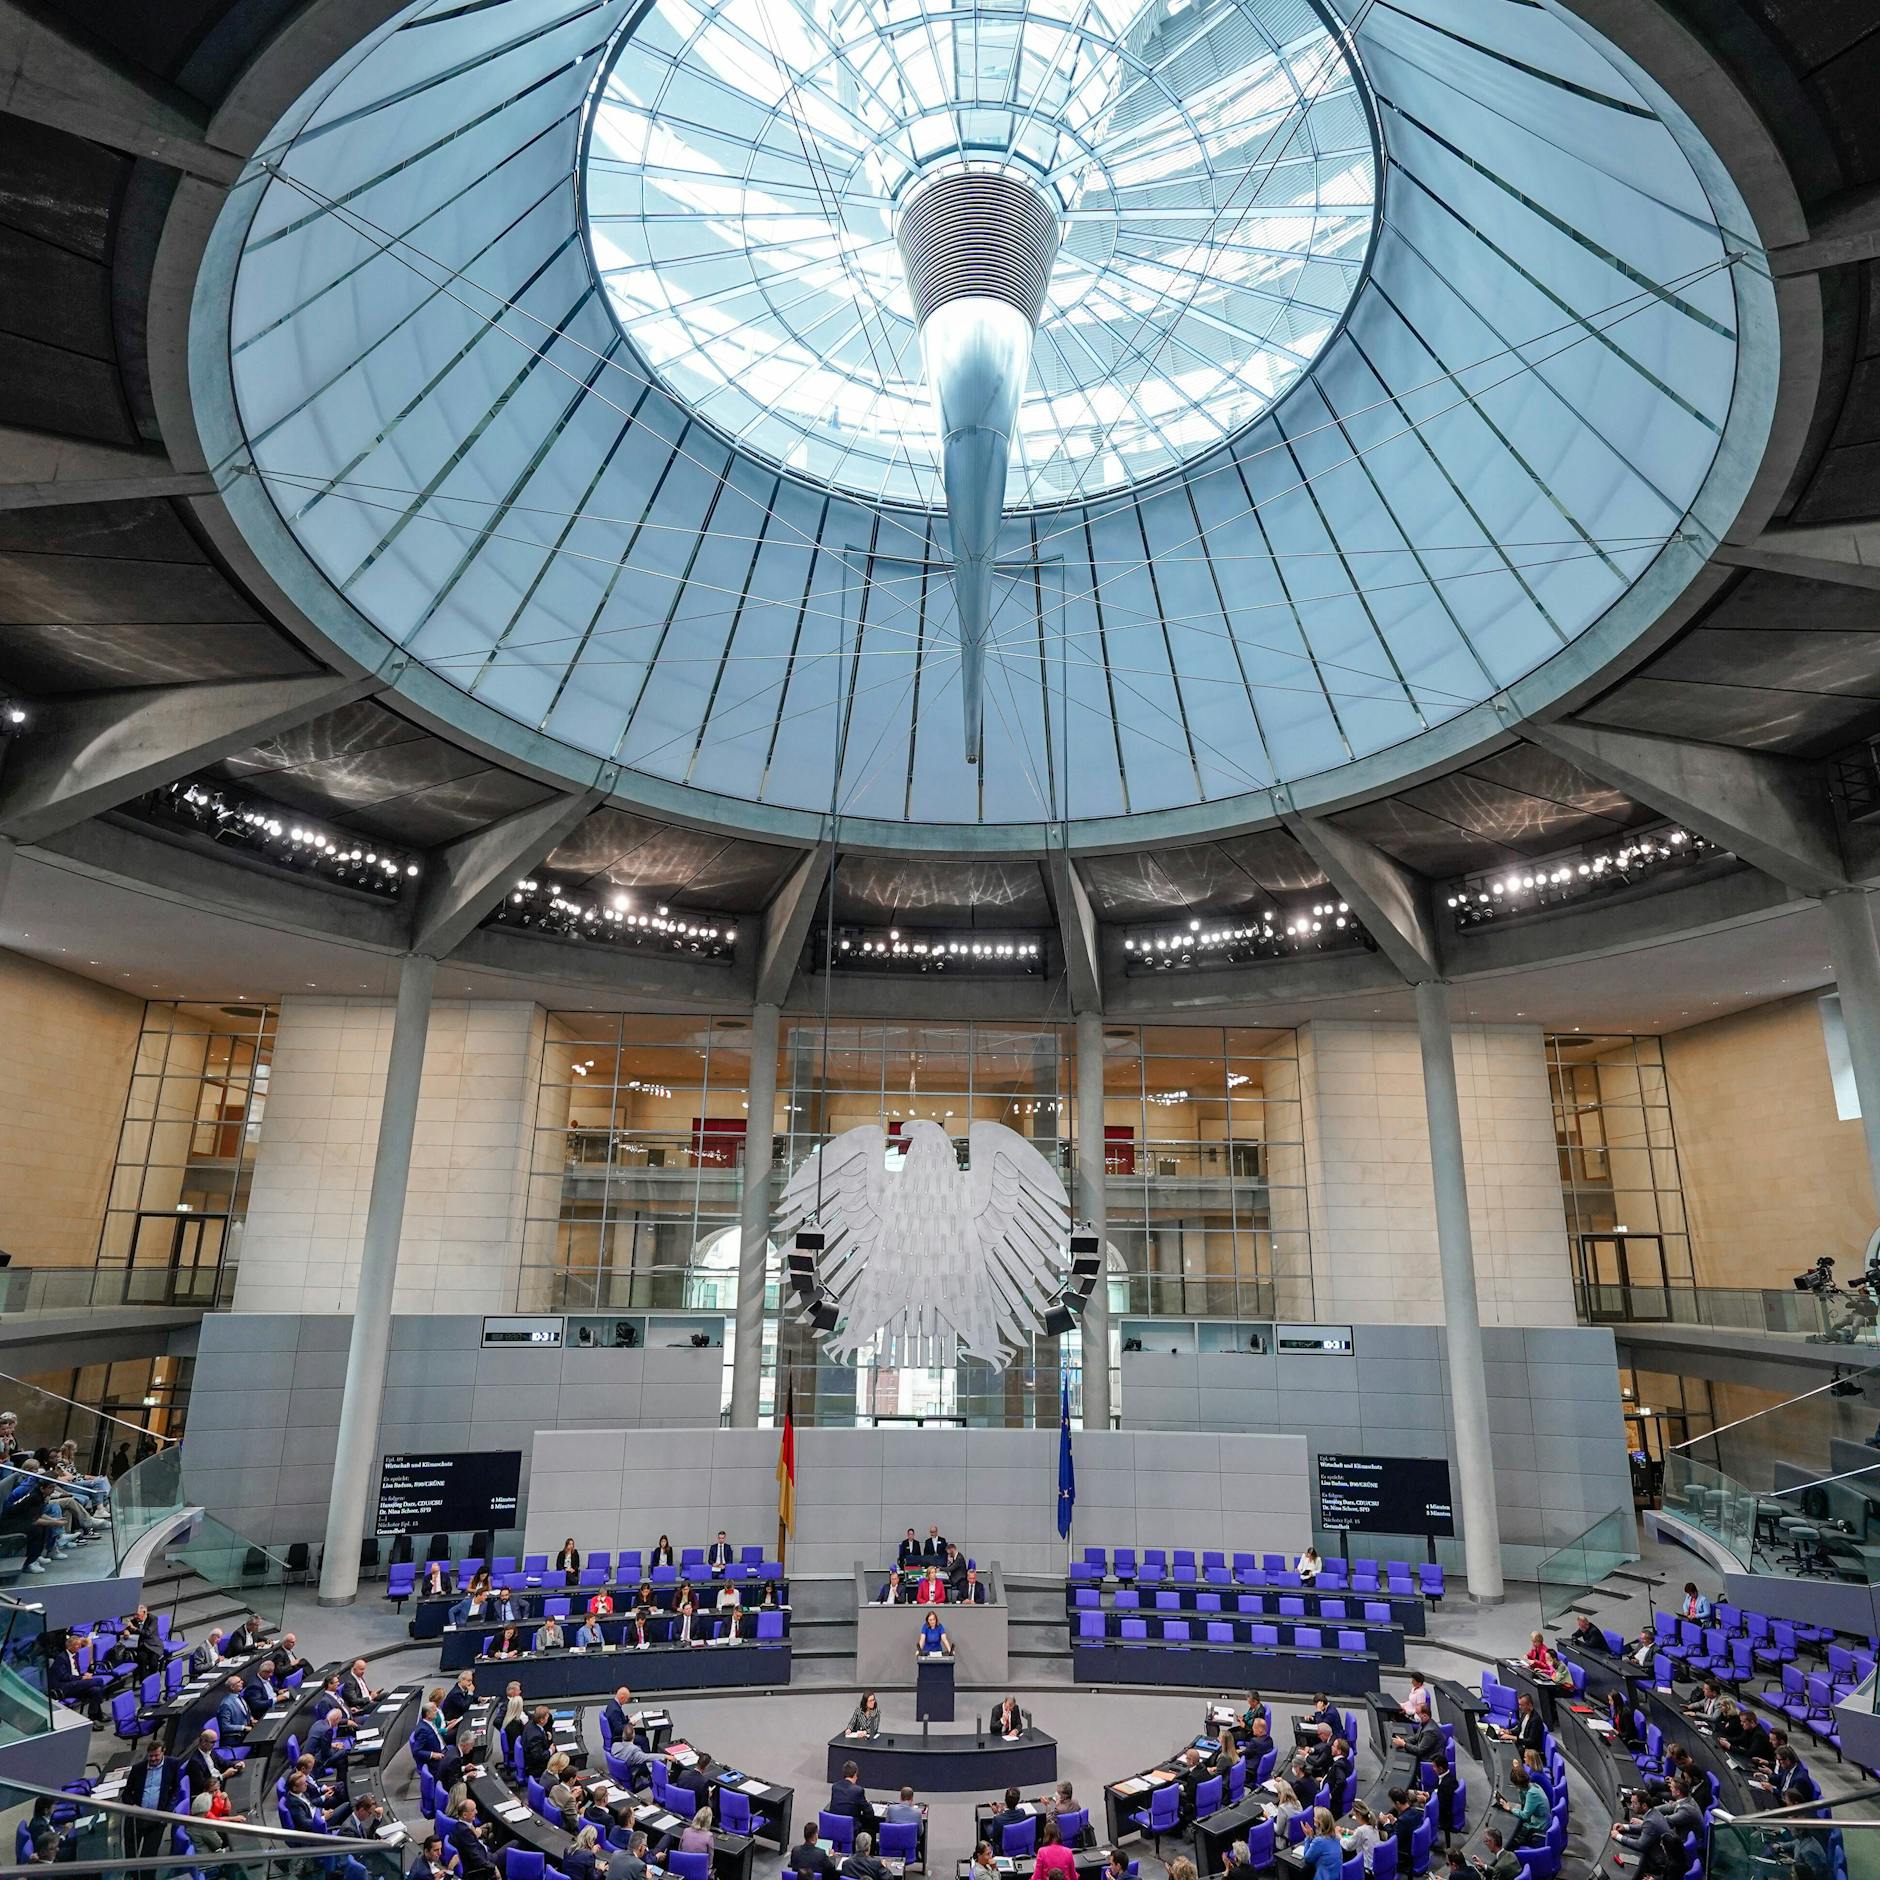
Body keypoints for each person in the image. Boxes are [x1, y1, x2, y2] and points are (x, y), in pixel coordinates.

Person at [122, 1738, 180, 1856]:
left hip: (157, 1819)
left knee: (149, 1855)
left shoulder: (173, 1764)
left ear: (163, 1752)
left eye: (156, 1756)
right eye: (150, 1756)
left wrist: (167, 1812)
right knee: (130, 1854)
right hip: (137, 1818)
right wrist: (133, 1806)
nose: (153, 1759)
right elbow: (126, 1794)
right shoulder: (138, 1769)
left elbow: (175, 1790)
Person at [1610, 1793, 1676, 1877]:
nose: (1631, 1806)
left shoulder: (1651, 1821)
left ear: (1644, 1805)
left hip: (1657, 1862)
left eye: (1635, 1803)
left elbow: (1639, 1845)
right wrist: (1625, 1827)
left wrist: (1618, 1836)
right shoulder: (1654, 1813)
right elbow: (1644, 1827)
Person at [1493, 1765, 1549, 1848]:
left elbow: (1525, 1815)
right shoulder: (1532, 1786)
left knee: (1511, 1836)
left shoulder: (1532, 1793)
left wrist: (1510, 1808)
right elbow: (1524, 1802)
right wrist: (1519, 1791)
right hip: (1538, 1819)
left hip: (1539, 1825)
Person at [831, 1759, 878, 1835]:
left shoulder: (835, 1787)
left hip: (834, 1827)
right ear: (855, 1774)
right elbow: (869, 1813)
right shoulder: (858, 1790)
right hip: (850, 1830)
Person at [1300, 1807, 1344, 1880]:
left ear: (1318, 1823)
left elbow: (1307, 1859)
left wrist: (1308, 1837)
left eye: (1314, 1817)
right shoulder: (1336, 1837)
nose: (1313, 1818)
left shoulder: (1319, 1841)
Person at [1386, 1788, 1425, 1869]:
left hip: (1404, 1857)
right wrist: (1394, 1822)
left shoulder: (1403, 1820)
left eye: (1392, 1803)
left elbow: (1393, 1839)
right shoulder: (1416, 1812)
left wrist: (1387, 1824)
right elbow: (1404, 1830)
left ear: (1397, 1803)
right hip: (1417, 1850)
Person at [1344, 1801, 1382, 1873]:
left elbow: (1348, 1846)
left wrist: (1339, 1836)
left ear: (1359, 1815)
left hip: (1366, 1869)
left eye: (1355, 1814)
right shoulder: (1373, 1825)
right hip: (1375, 1864)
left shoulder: (1361, 1830)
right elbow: (1362, 1834)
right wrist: (1347, 1831)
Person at [214, 1672, 252, 1741]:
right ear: (232, 1687)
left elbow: (245, 1713)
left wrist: (251, 1719)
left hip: (245, 1733)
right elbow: (225, 1726)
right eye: (239, 1682)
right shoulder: (226, 1704)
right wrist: (243, 1727)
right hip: (235, 1738)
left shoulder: (239, 1696)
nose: (242, 1682)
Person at [521, 1705, 555, 1778]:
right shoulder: (536, 1736)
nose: (548, 1718)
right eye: (547, 1717)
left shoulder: (530, 1723)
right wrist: (550, 1751)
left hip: (529, 1758)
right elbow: (538, 1757)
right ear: (542, 1720)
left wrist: (545, 1735)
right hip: (536, 1768)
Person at [631, 1583, 656, 1649]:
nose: (645, 1593)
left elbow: (655, 1606)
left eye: (647, 1591)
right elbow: (633, 1608)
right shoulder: (637, 1596)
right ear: (641, 1591)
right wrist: (635, 1609)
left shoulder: (652, 1595)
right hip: (639, 1613)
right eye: (644, 1592)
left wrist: (653, 1608)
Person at [675, 1579, 698, 1646]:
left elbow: (697, 1634)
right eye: (684, 1589)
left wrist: (691, 1640)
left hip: (691, 1641)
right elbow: (674, 1633)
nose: (685, 1591)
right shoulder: (677, 1619)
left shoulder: (696, 1619)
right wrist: (677, 1609)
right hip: (680, 1641)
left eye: (687, 1589)